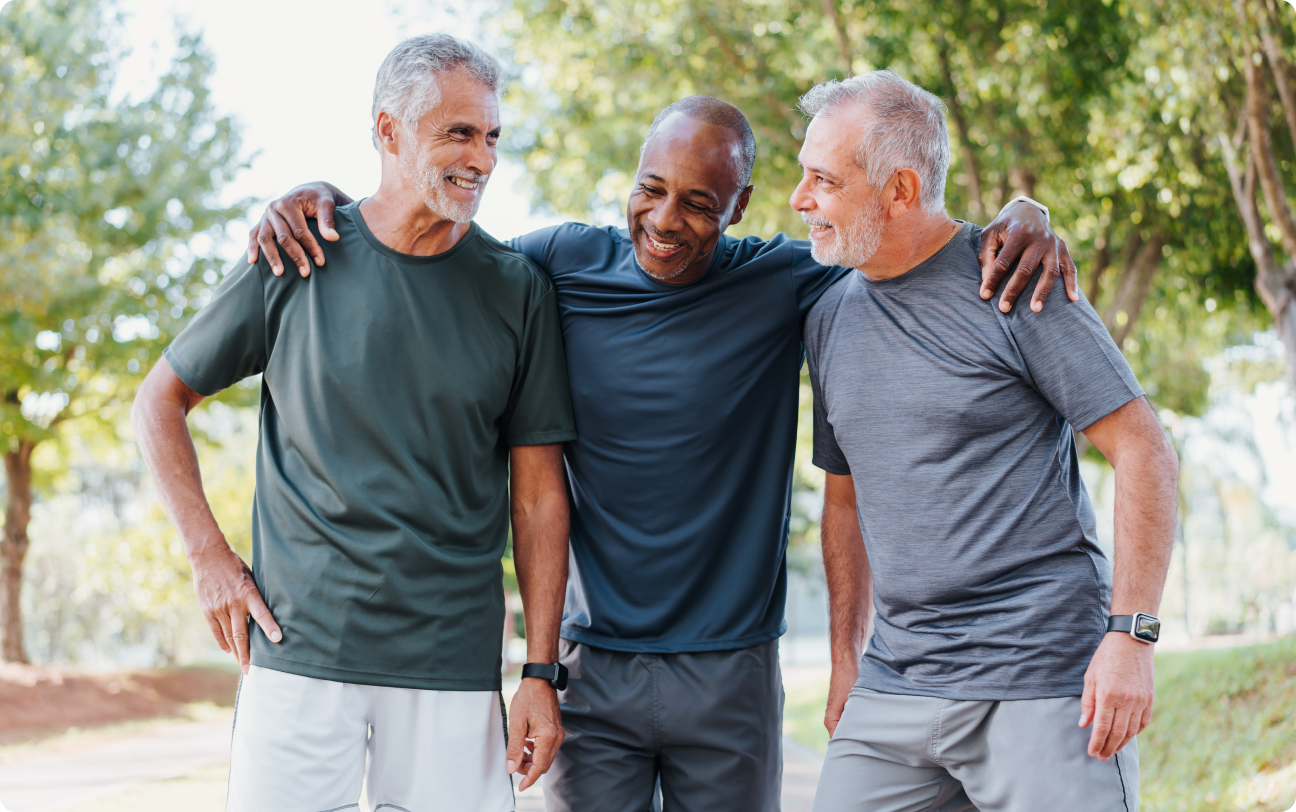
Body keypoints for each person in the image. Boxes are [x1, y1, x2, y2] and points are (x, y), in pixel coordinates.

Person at [251, 86, 1076, 812]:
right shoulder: (560, 264)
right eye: (651, 190)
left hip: (731, 674)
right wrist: (325, 196)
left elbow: (905, 236)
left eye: (698, 203)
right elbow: (435, 242)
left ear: (742, 205)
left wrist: (1024, 217)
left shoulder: (789, 280)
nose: (666, 221)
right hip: (593, 668)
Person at [131, 35, 577, 811]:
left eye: (492, 135)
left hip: (452, 662)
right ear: (388, 132)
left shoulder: (518, 291)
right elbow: (158, 401)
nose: (482, 158)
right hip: (298, 649)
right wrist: (209, 558)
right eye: (458, 133)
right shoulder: (298, 252)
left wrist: (539, 672)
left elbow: (538, 498)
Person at [795, 71, 1179, 812]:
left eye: (823, 180)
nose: (799, 200)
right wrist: (846, 657)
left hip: (1039, 676)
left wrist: (1132, 637)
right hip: (896, 684)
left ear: (900, 190)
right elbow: (847, 497)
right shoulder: (828, 316)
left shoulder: (1017, 282)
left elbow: (1144, 450)